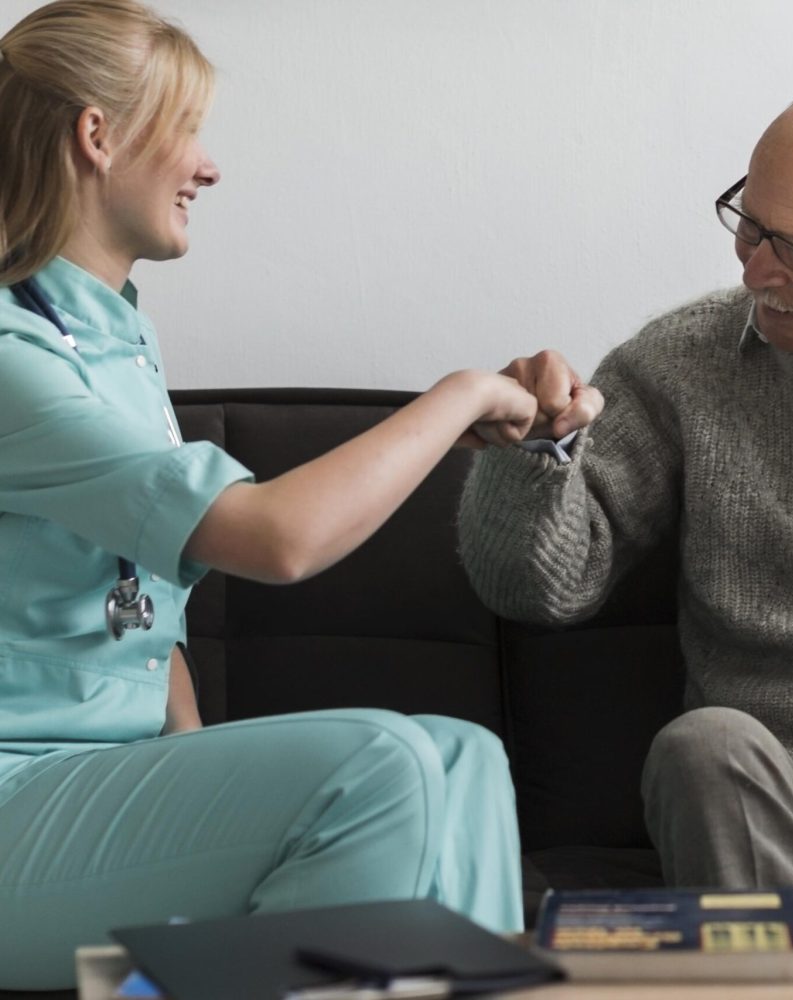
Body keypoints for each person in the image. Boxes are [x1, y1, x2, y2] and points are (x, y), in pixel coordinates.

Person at [0, 0, 536, 990]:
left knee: (463, 757)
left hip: (92, 786)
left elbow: (141, 614)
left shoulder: (114, 336)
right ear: (97, 135)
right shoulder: (11, 357)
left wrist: (193, 771)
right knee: (380, 761)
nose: (209, 166)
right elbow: (276, 537)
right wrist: (459, 397)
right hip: (16, 803)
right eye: (188, 129)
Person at [459, 80, 793, 918]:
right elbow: (539, 589)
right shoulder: (681, 364)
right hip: (790, 797)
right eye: (748, 227)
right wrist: (533, 452)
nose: (755, 272)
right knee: (699, 748)